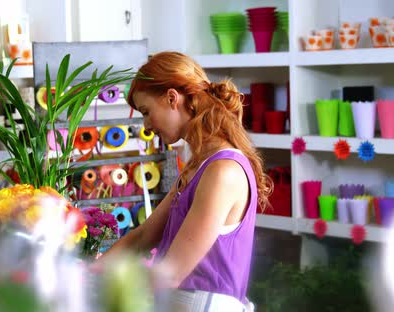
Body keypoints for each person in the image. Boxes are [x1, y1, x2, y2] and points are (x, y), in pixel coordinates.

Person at [95, 51, 272, 311]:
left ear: (171, 98)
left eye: (146, 111)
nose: (146, 125)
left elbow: (171, 273)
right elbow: (143, 236)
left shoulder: (223, 171)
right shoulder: (198, 165)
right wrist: (90, 272)